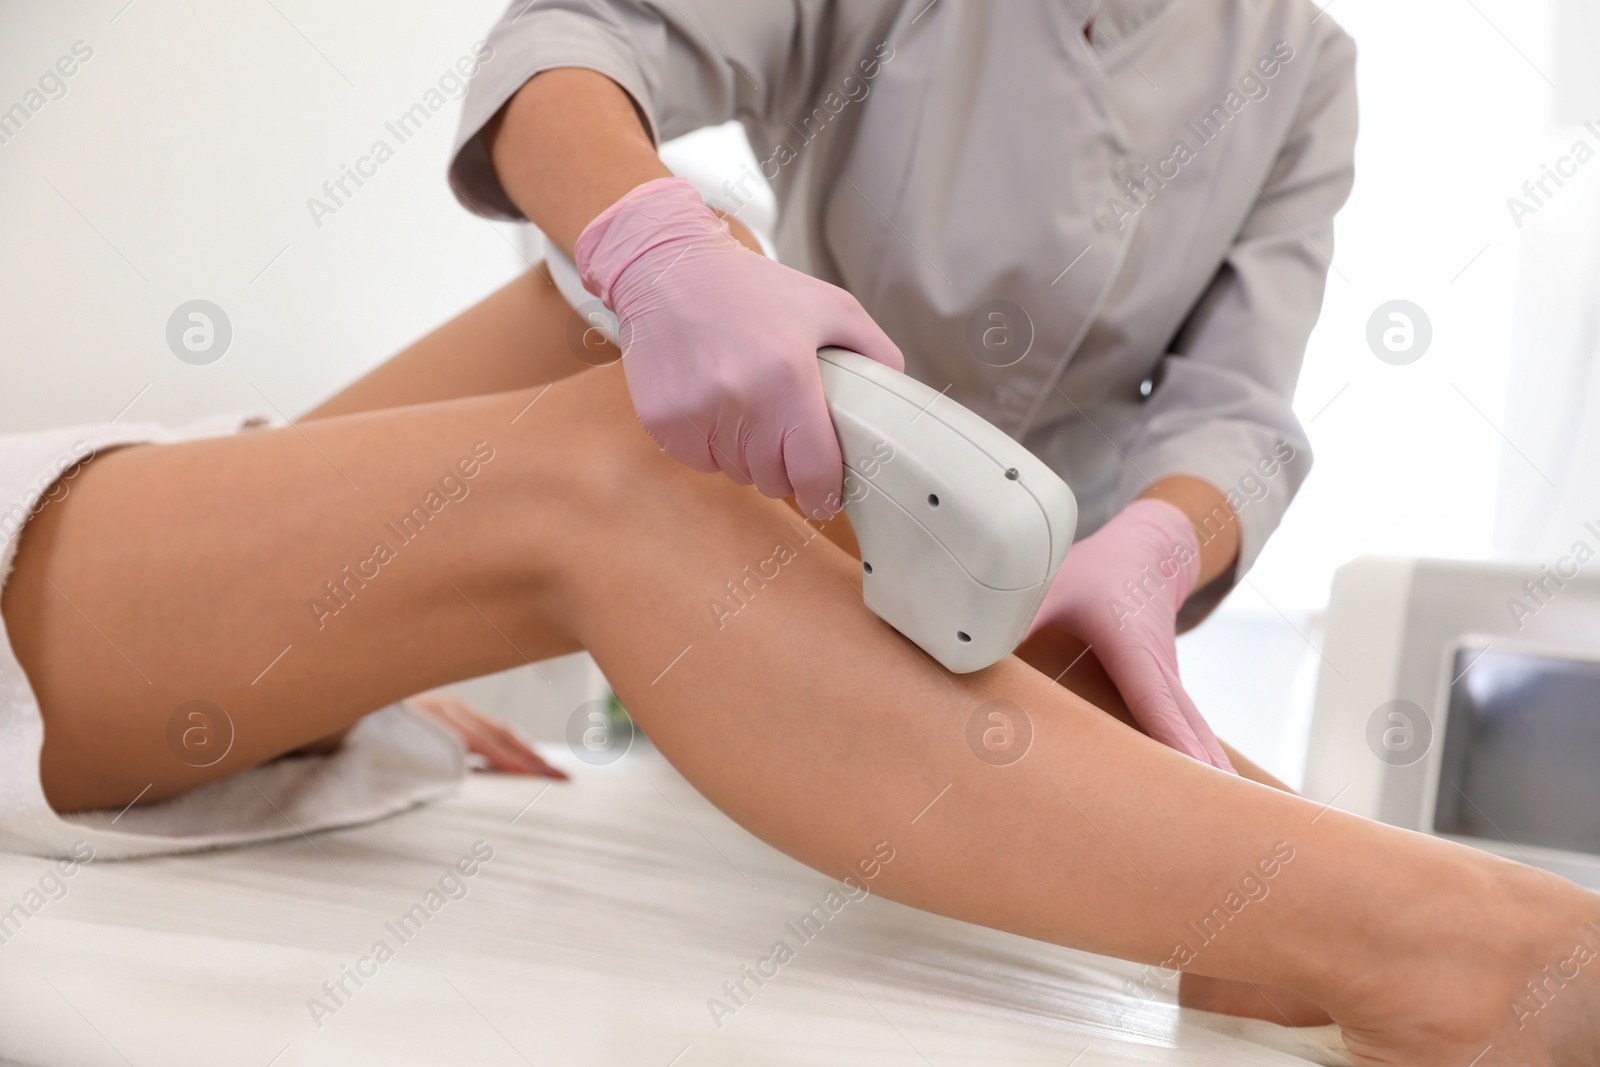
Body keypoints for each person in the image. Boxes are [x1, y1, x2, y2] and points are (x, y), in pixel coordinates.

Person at [2, 266, 1597, 1064]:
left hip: (118, 546)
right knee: (623, 455)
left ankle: (1237, 863)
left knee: (624, 319)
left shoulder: (1288, 59)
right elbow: (587, 47)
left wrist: (1167, 535)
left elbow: (1241, 390)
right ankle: (1435, 938)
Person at [445, 0, 1358, 769]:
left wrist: (1159, 548)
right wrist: (660, 251)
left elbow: (1234, 407)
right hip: (795, 528)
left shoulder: (1299, 62)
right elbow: (571, 35)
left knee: (1252, 904)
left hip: (1048, 603)